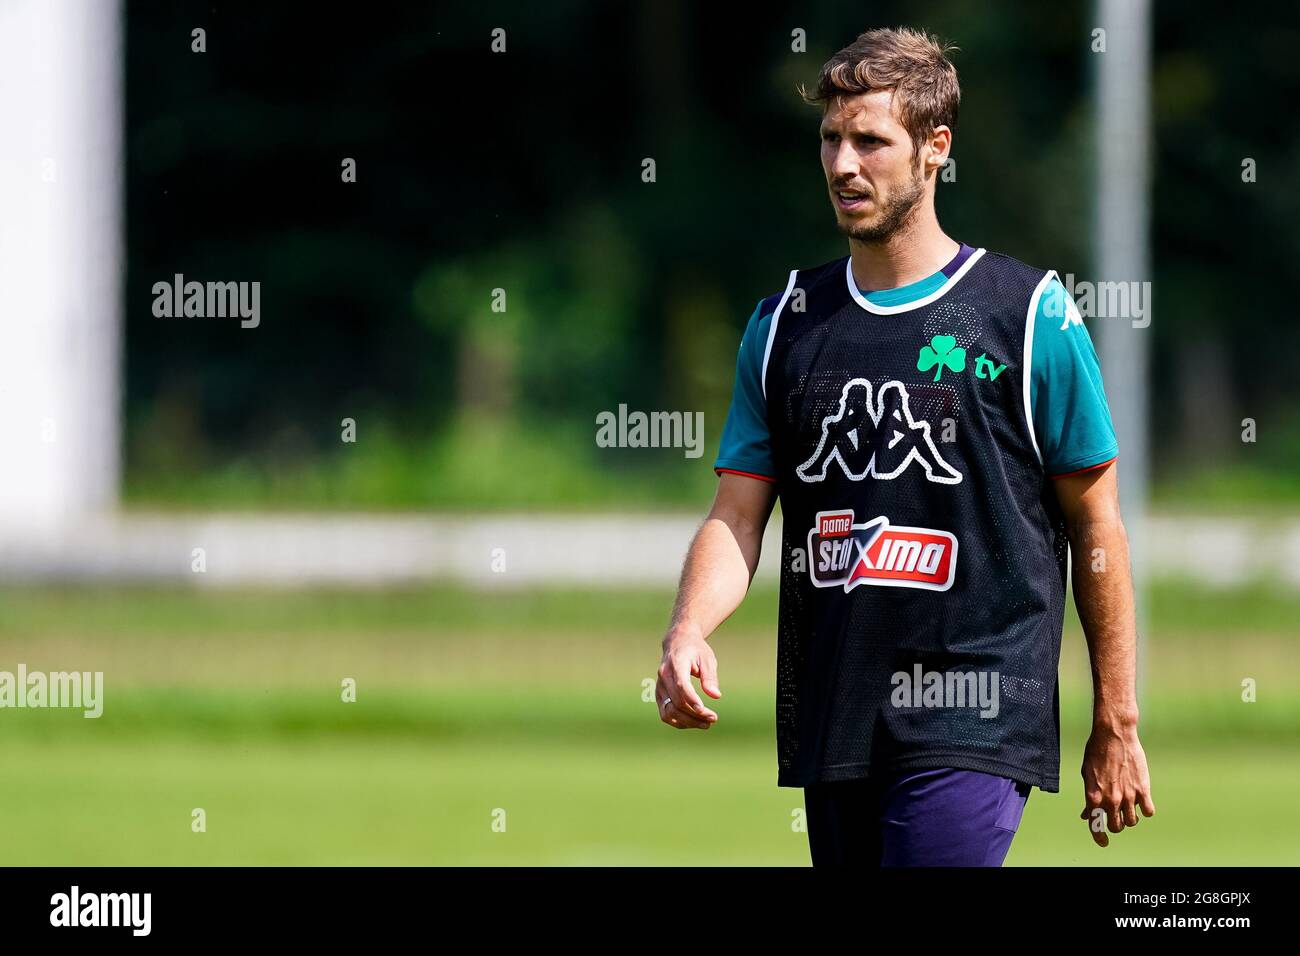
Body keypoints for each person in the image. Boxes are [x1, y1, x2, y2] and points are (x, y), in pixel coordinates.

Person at [654, 26, 1154, 866]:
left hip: (976, 710)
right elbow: (738, 516)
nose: (844, 165)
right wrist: (688, 627)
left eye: (870, 141)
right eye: (830, 140)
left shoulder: (1027, 316)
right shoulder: (784, 326)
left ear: (934, 149)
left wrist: (1117, 717)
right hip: (837, 716)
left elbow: (1096, 526)